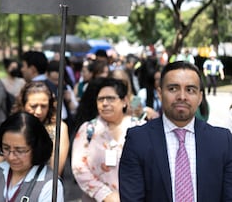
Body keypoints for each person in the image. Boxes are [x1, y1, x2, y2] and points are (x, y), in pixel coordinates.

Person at [119, 61, 232, 201]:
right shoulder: (138, 140)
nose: (182, 96)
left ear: (200, 97)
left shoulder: (222, 141)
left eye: (190, 90)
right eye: (173, 89)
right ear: (160, 93)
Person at [72, 78, 143, 202]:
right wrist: (104, 194)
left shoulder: (140, 128)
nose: (104, 103)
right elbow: (79, 167)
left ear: (124, 101)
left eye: (111, 98)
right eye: (100, 99)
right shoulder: (88, 129)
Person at [0, 112, 64, 202]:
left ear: (36, 148)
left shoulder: (50, 184)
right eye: (6, 148)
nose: (11, 157)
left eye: (20, 151)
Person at [0, 81, 70, 176]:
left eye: (44, 106)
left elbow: (56, 170)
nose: (39, 111)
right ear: (23, 105)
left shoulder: (58, 128)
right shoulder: (11, 126)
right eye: (33, 106)